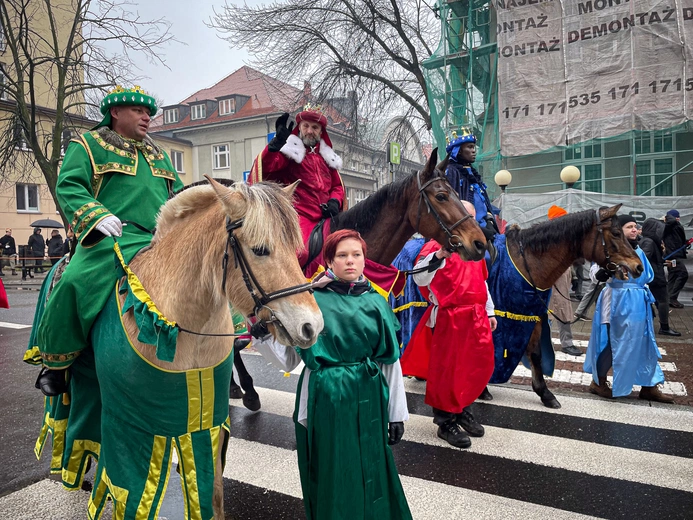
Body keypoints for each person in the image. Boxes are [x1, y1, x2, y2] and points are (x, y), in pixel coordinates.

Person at [33, 85, 183, 396]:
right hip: (109, 237)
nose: (146, 118)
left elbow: (179, 197)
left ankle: (230, 339)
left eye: (149, 113)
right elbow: (69, 185)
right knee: (75, 281)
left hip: (158, 239)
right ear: (115, 113)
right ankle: (57, 361)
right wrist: (96, 215)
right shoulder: (88, 145)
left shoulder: (158, 154)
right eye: (138, 111)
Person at [252, 229, 412, 520]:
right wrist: (263, 337)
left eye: (356, 255)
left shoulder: (377, 303)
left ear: (365, 260)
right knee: (331, 466)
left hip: (369, 394)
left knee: (371, 464)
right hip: (325, 394)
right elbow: (289, 360)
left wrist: (396, 413)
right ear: (329, 261)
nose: (350, 261)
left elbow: (389, 362)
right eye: (342, 255)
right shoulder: (312, 301)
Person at [400, 201, 496, 449]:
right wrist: (440, 255)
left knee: (471, 367)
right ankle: (445, 421)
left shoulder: (475, 247)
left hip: (475, 316)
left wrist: (490, 311)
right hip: (449, 317)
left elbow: (482, 282)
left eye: (473, 217)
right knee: (447, 371)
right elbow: (420, 277)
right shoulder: (435, 247)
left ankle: (462, 408)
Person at [584, 214, 674, 403]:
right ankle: (598, 382)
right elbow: (595, 274)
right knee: (611, 343)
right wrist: (604, 271)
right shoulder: (608, 249)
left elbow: (647, 275)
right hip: (617, 300)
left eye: (636, 226)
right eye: (629, 227)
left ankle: (649, 386)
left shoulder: (639, 250)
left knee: (644, 342)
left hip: (638, 302)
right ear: (619, 231)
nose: (635, 229)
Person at [249, 105, 345, 270]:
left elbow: (337, 185)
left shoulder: (327, 157)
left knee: (348, 248)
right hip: (300, 215)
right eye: (305, 126)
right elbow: (268, 168)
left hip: (327, 216)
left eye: (314, 127)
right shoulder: (290, 152)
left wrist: (335, 201)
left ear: (321, 132)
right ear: (299, 128)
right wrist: (275, 145)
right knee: (301, 253)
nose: (309, 131)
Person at [444, 128, 499, 237]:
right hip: (467, 232)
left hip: (485, 225)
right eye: (469, 147)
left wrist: (489, 221)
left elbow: (483, 202)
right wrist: (476, 229)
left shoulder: (472, 172)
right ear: (458, 150)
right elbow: (451, 206)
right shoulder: (451, 171)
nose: (474, 150)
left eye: (473, 147)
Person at [546, 206, 582, 356]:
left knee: (564, 309)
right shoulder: (548, 236)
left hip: (563, 276)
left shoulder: (566, 237)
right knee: (548, 310)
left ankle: (566, 343)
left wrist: (573, 276)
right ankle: (544, 343)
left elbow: (570, 260)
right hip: (550, 276)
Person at [640, 218, 680, 337]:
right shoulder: (649, 242)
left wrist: (662, 262)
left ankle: (657, 325)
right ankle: (664, 327)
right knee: (663, 301)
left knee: (656, 302)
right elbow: (643, 260)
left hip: (654, 277)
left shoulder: (648, 241)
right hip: (656, 279)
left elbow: (648, 259)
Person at [663, 209, 689, 308]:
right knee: (683, 274)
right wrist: (671, 217)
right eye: (676, 217)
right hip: (672, 255)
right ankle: (672, 298)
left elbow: (676, 240)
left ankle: (669, 298)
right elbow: (670, 221)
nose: (678, 218)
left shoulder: (674, 226)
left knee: (673, 277)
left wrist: (685, 243)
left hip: (675, 254)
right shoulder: (669, 225)